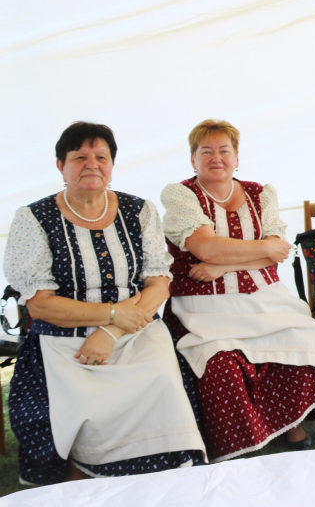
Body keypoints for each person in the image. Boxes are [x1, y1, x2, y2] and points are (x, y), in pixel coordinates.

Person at [3, 122, 206, 486]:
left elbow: (159, 283)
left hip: (134, 330)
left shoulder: (138, 210)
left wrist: (110, 332)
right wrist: (111, 314)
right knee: (78, 402)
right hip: (63, 338)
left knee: (161, 378)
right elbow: (40, 306)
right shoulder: (33, 218)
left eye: (101, 157)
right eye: (79, 157)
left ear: (112, 164)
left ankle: (161, 478)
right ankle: (86, 471)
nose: (91, 164)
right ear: (60, 166)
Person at [161, 119, 315, 462]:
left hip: (263, 298)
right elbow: (207, 248)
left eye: (224, 151)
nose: (216, 158)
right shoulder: (181, 195)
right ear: (193, 160)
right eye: (206, 151)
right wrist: (254, 251)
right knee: (222, 364)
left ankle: (290, 421)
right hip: (204, 307)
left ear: (237, 158)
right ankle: (243, 436)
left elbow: (280, 250)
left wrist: (222, 266)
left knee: (299, 342)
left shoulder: (260, 193)